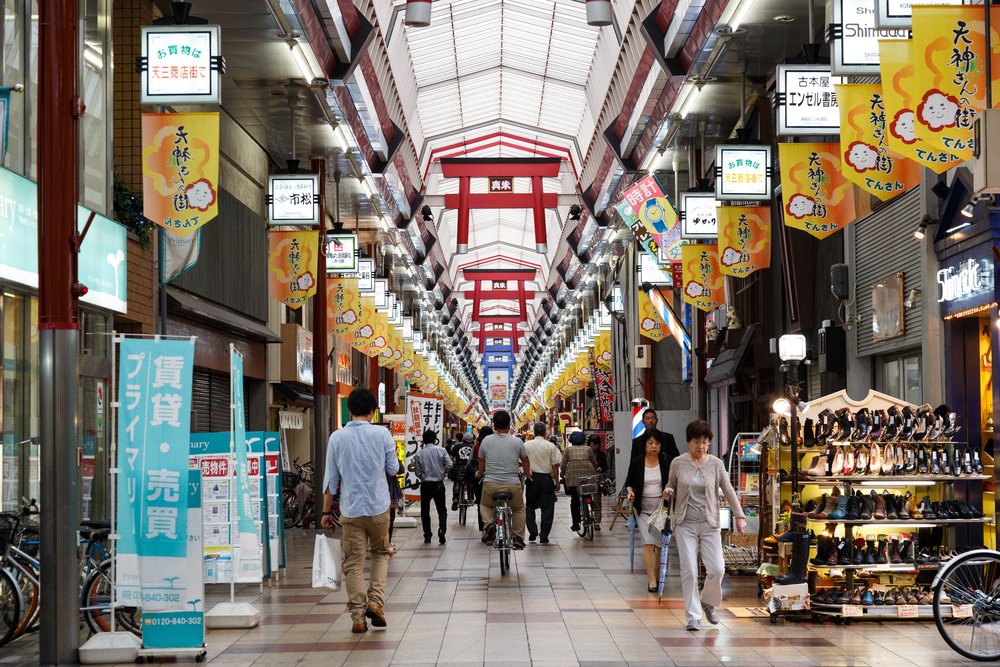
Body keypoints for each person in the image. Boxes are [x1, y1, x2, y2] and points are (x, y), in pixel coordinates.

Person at [321, 387, 399, 634]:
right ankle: (375, 603)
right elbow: (393, 468)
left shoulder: (337, 437)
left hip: (351, 510)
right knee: (380, 553)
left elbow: (330, 481)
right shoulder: (383, 434)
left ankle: (357, 617)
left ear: (349, 410)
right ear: (373, 411)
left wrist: (325, 513)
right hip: (378, 508)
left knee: (353, 563)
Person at [664, 419, 747, 632]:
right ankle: (693, 616)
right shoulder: (678, 463)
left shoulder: (716, 464)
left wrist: (739, 516)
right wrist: (668, 491)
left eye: (705, 442)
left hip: (710, 523)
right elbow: (671, 485)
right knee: (689, 571)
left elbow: (728, 489)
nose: (701, 446)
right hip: (685, 524)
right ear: (689, 442)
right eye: (696, 442)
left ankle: (708, 601)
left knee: (718, 569)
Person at [624, 431, 671, 593]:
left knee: (659, 545)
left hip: (661, 509)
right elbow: (629, 482)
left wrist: (669, 491)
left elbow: (672, 482)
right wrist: (630, 492)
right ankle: (651, 578)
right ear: (644, 445)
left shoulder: (665, 461)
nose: (653, 446)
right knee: (648, 542)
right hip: (643, 508)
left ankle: (657, 575)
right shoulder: (637, 462)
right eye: (650, 443)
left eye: (656, 443)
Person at [476, 411, 530, 550]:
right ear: (509, 425)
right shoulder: (517, 441)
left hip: (491, 483)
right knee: (518, 509)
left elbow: (481, 462)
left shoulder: (486, 441)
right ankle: (517, 537)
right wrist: (527, 473)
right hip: (512, 484)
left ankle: (489, 525)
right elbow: (525, 460)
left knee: (485, 505)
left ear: (494, 425)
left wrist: (479, 473)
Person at [412, 428, 452, 544]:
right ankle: (442, 530)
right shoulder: (441, 450)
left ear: (424, 441)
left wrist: (423, 477)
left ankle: (427, 535)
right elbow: (449, 465)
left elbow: (417, 472)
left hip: (425, 485)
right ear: (435, 440)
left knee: (425, 511)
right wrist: (442, 472)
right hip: (438, 485)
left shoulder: (419, 454)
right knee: (442, 510)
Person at [524, 421, 561, 543]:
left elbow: (521, 462)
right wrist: (557, 481)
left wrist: (526, 472)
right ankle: (544, 535)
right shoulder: (550, 446)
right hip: (546, 479)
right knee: (548, 507)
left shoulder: (527, 445)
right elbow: (555, 466)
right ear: (545, 432)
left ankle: (532, 531)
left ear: (534, 432)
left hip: (532, 478)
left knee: (529, 505)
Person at [562, 430, 598, 532]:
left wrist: (562, 473)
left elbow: (564, 464)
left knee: (575, 499)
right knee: (587, 491)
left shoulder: (568, 450)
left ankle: (576, 523)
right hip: (588, 473)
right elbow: (593, 462)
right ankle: (591, 502)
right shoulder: (588, 449)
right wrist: (595, 469)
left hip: (573, 476)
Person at [466, 426, 494, 534]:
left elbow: (469, 462)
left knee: (481, 504)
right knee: (493, 503)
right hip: (493, 476)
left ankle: (483, 528)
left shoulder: (476, 446)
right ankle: (493, 524)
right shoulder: (494, 445)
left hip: (479, 478)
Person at [449, 432, 475, 511]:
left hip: (458, 469)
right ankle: (470, 498)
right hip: (469, 469)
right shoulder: (473, 448)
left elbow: (450, 457)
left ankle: (456, 498)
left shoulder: (457, 446)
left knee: (456, 481)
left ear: (463, 439)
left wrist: (454, 460)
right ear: (471, 440)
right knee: (471, 482)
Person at [587, 434, 607, 530]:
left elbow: (605, 467)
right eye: (591, 444)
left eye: (595, 444)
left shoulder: (602, 454)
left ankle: (597, 521)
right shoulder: (585, 453)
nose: (593, 446)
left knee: (597, 501)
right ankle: (587, 517)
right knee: (586, 499)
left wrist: (601, 468)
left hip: (597, 480)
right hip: (586, 479)